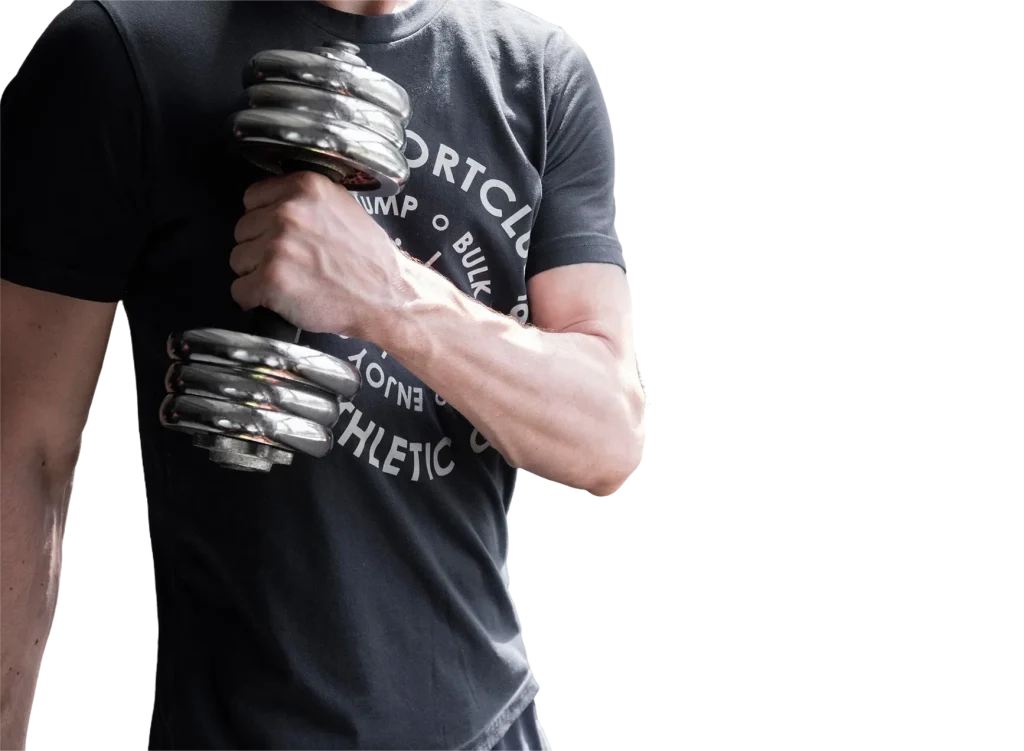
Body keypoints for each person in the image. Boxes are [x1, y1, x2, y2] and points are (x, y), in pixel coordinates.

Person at [0, 0, 646, 748]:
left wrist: (390, 298)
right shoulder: (119, 54)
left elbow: (610, 437)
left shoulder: (539, 71)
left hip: (493, 729)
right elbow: (25, 449)